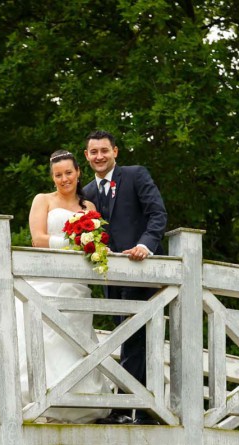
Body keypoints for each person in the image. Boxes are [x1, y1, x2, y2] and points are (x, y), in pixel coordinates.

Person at [15, 150, 112, 423]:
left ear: (78, 172)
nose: (64, 179)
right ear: (52, 177)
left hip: (75, 282)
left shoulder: (90, 207)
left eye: (68, 173)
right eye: (58, 175)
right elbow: (38, 239)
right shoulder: (43, 200)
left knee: (76, 339)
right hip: (47, 278)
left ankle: (81, 401)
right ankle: (34, 400)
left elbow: (98, 241)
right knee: (43, 337)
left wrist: (92, 246)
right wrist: (75, 243)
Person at [82, 130, 167, 426]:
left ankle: (130, 409)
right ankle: (136, 409)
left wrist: (145, 245)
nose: (99, 156)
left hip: (141, 272)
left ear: (115, 152)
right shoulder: (87, 194)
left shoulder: (135, 175)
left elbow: (157, 214)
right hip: (111, 278)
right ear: (87, 156)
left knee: (137, 340)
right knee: (124, 339)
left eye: (104, 150)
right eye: (94, 152)